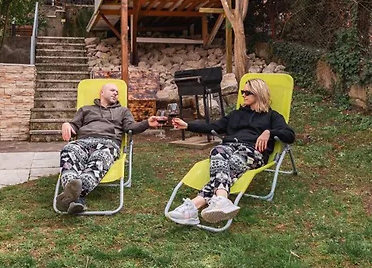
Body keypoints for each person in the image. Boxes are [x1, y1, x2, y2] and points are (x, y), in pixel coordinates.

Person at [168, 78, 295, 226]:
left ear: (259, 93)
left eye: (248, 92)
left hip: (252, 152)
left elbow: (289, 135)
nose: (243, 95)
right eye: (243, 92)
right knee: (218, 150)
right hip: (229, 148)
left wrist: (269, 132)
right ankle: (221, 199)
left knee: (232, 162)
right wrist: (187, 125)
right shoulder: (236, 114)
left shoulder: (272, 116)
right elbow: (213, 126)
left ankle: (193, 207)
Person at [57, 82, 161, 214]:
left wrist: (147, 123)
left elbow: (131, 127)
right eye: (112, 90)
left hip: (108, 143)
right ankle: (76, 198)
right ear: (102, 92)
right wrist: (66, 124)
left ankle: (70, 195)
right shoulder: (85, 109)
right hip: (83, 141)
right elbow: (74, 126)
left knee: (100, 157)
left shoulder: (123, 111)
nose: (116, 93)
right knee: (69, 150)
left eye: (117, 92)